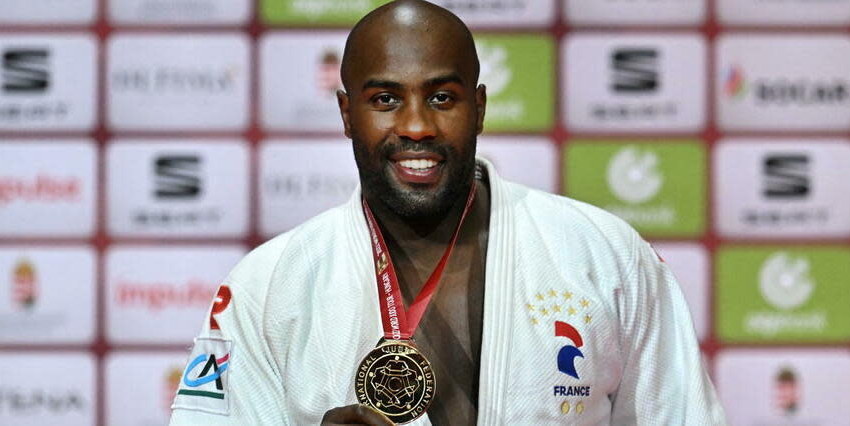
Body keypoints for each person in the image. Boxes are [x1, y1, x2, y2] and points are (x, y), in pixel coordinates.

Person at [168, 1, 726, 425]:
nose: (416, 126)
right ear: (346, 112)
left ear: (479, 107)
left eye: (441, 98)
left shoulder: (603, 256)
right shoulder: (268, 288)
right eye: (385, 99)